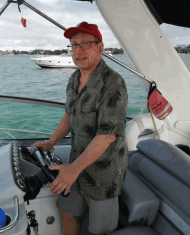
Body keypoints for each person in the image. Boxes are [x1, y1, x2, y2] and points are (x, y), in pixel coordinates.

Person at [30, 22, 128, 235]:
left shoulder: (113, 83)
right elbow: (68, 115)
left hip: (103, 173)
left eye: (85, 44)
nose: (78, 51)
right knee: (66, 211)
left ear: (100, 47)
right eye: (74, 45)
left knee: (99, 230)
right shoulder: (74, 78)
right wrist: (49, 144)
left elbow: (107, 135)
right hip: (76, 163)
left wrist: (74, 169)